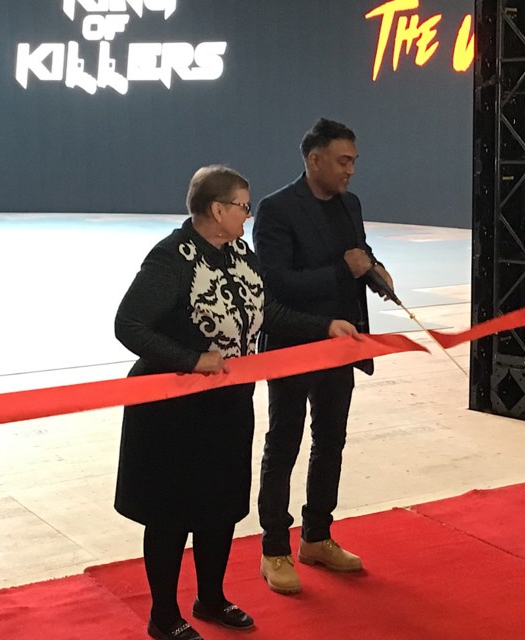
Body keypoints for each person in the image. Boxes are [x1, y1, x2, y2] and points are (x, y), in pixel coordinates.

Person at [114, 165, 359, 639]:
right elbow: (129, 324)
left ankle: (211, 598)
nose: (249, 214)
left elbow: (269, 312)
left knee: (220, 506)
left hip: (227, 406)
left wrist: (323, 327)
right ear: (217, 209)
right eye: (243, 206)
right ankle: (164, 615)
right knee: (171, 514)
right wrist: (191, 358)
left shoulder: (239, 253)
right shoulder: (173, 257)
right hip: (171, 411)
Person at [252, 118, 395, 594]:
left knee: (331, 440)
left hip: (342, 345)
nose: (351, 171)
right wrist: (344, 270)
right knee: (284, 445)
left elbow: (361, 254)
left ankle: (317, 536)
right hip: (293, 345)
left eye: (354, 161)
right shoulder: (276, 210)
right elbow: (275, 285)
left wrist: (375, 272)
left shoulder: (349, 204)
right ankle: (275, 548)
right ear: (314, 160)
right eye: (343, 161)